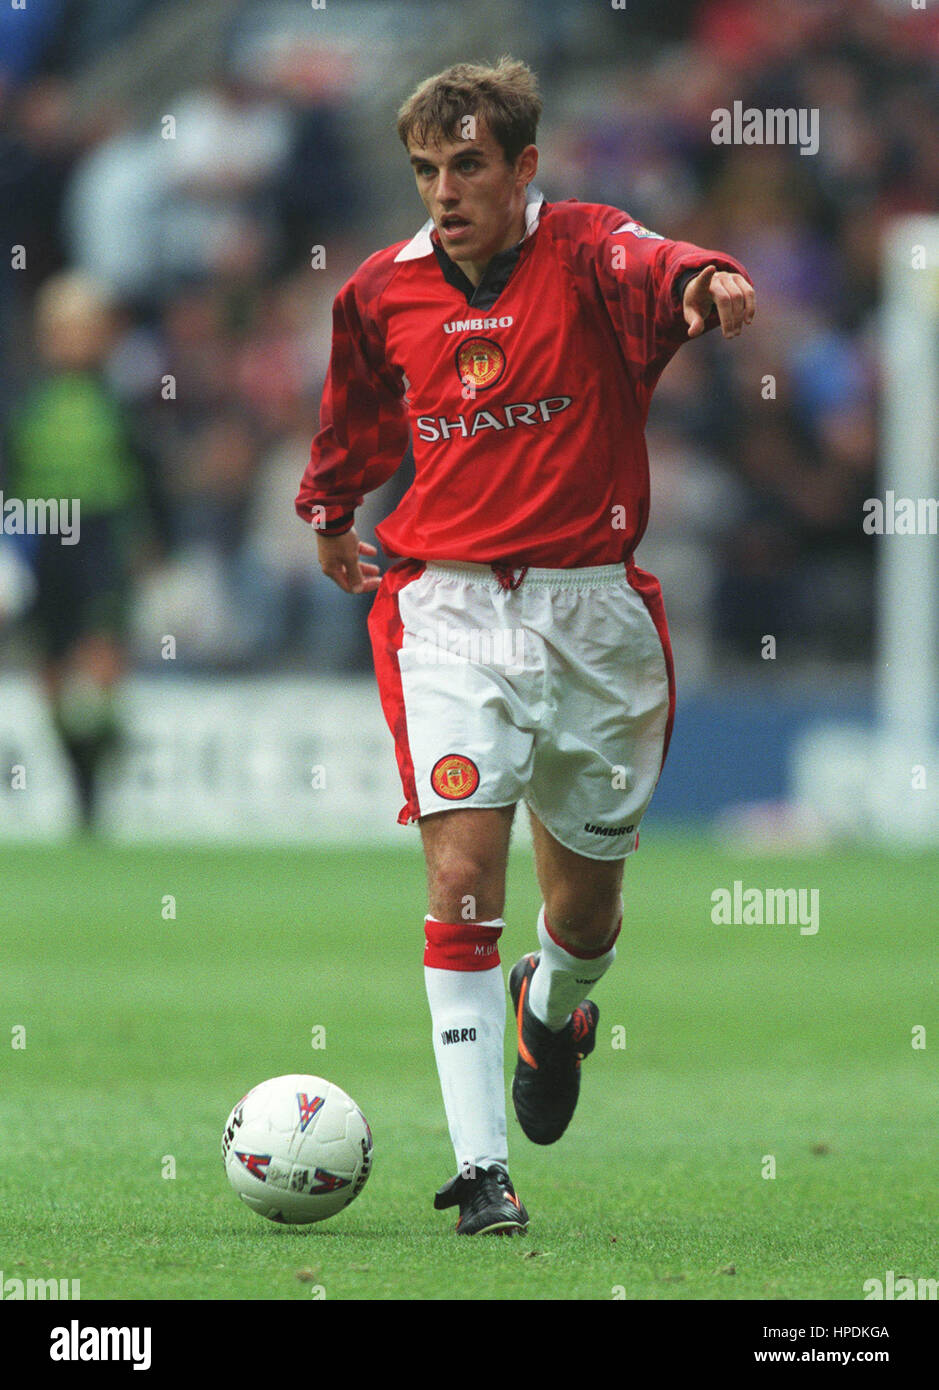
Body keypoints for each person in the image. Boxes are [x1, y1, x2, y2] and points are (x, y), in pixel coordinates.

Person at [295, 57, 755, 1235]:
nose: (444, 191)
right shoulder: (381, 291)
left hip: (594, 616)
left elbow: (670, 266)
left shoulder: (592, 252)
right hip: (445, 609)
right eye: (426, 171)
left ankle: (551, 1012)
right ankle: (481, 1171)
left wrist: (711, 282)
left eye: (467, 166)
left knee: (588, 916)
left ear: (522, 168)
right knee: (460, 874)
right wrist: (332, 513)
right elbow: (356, 411)